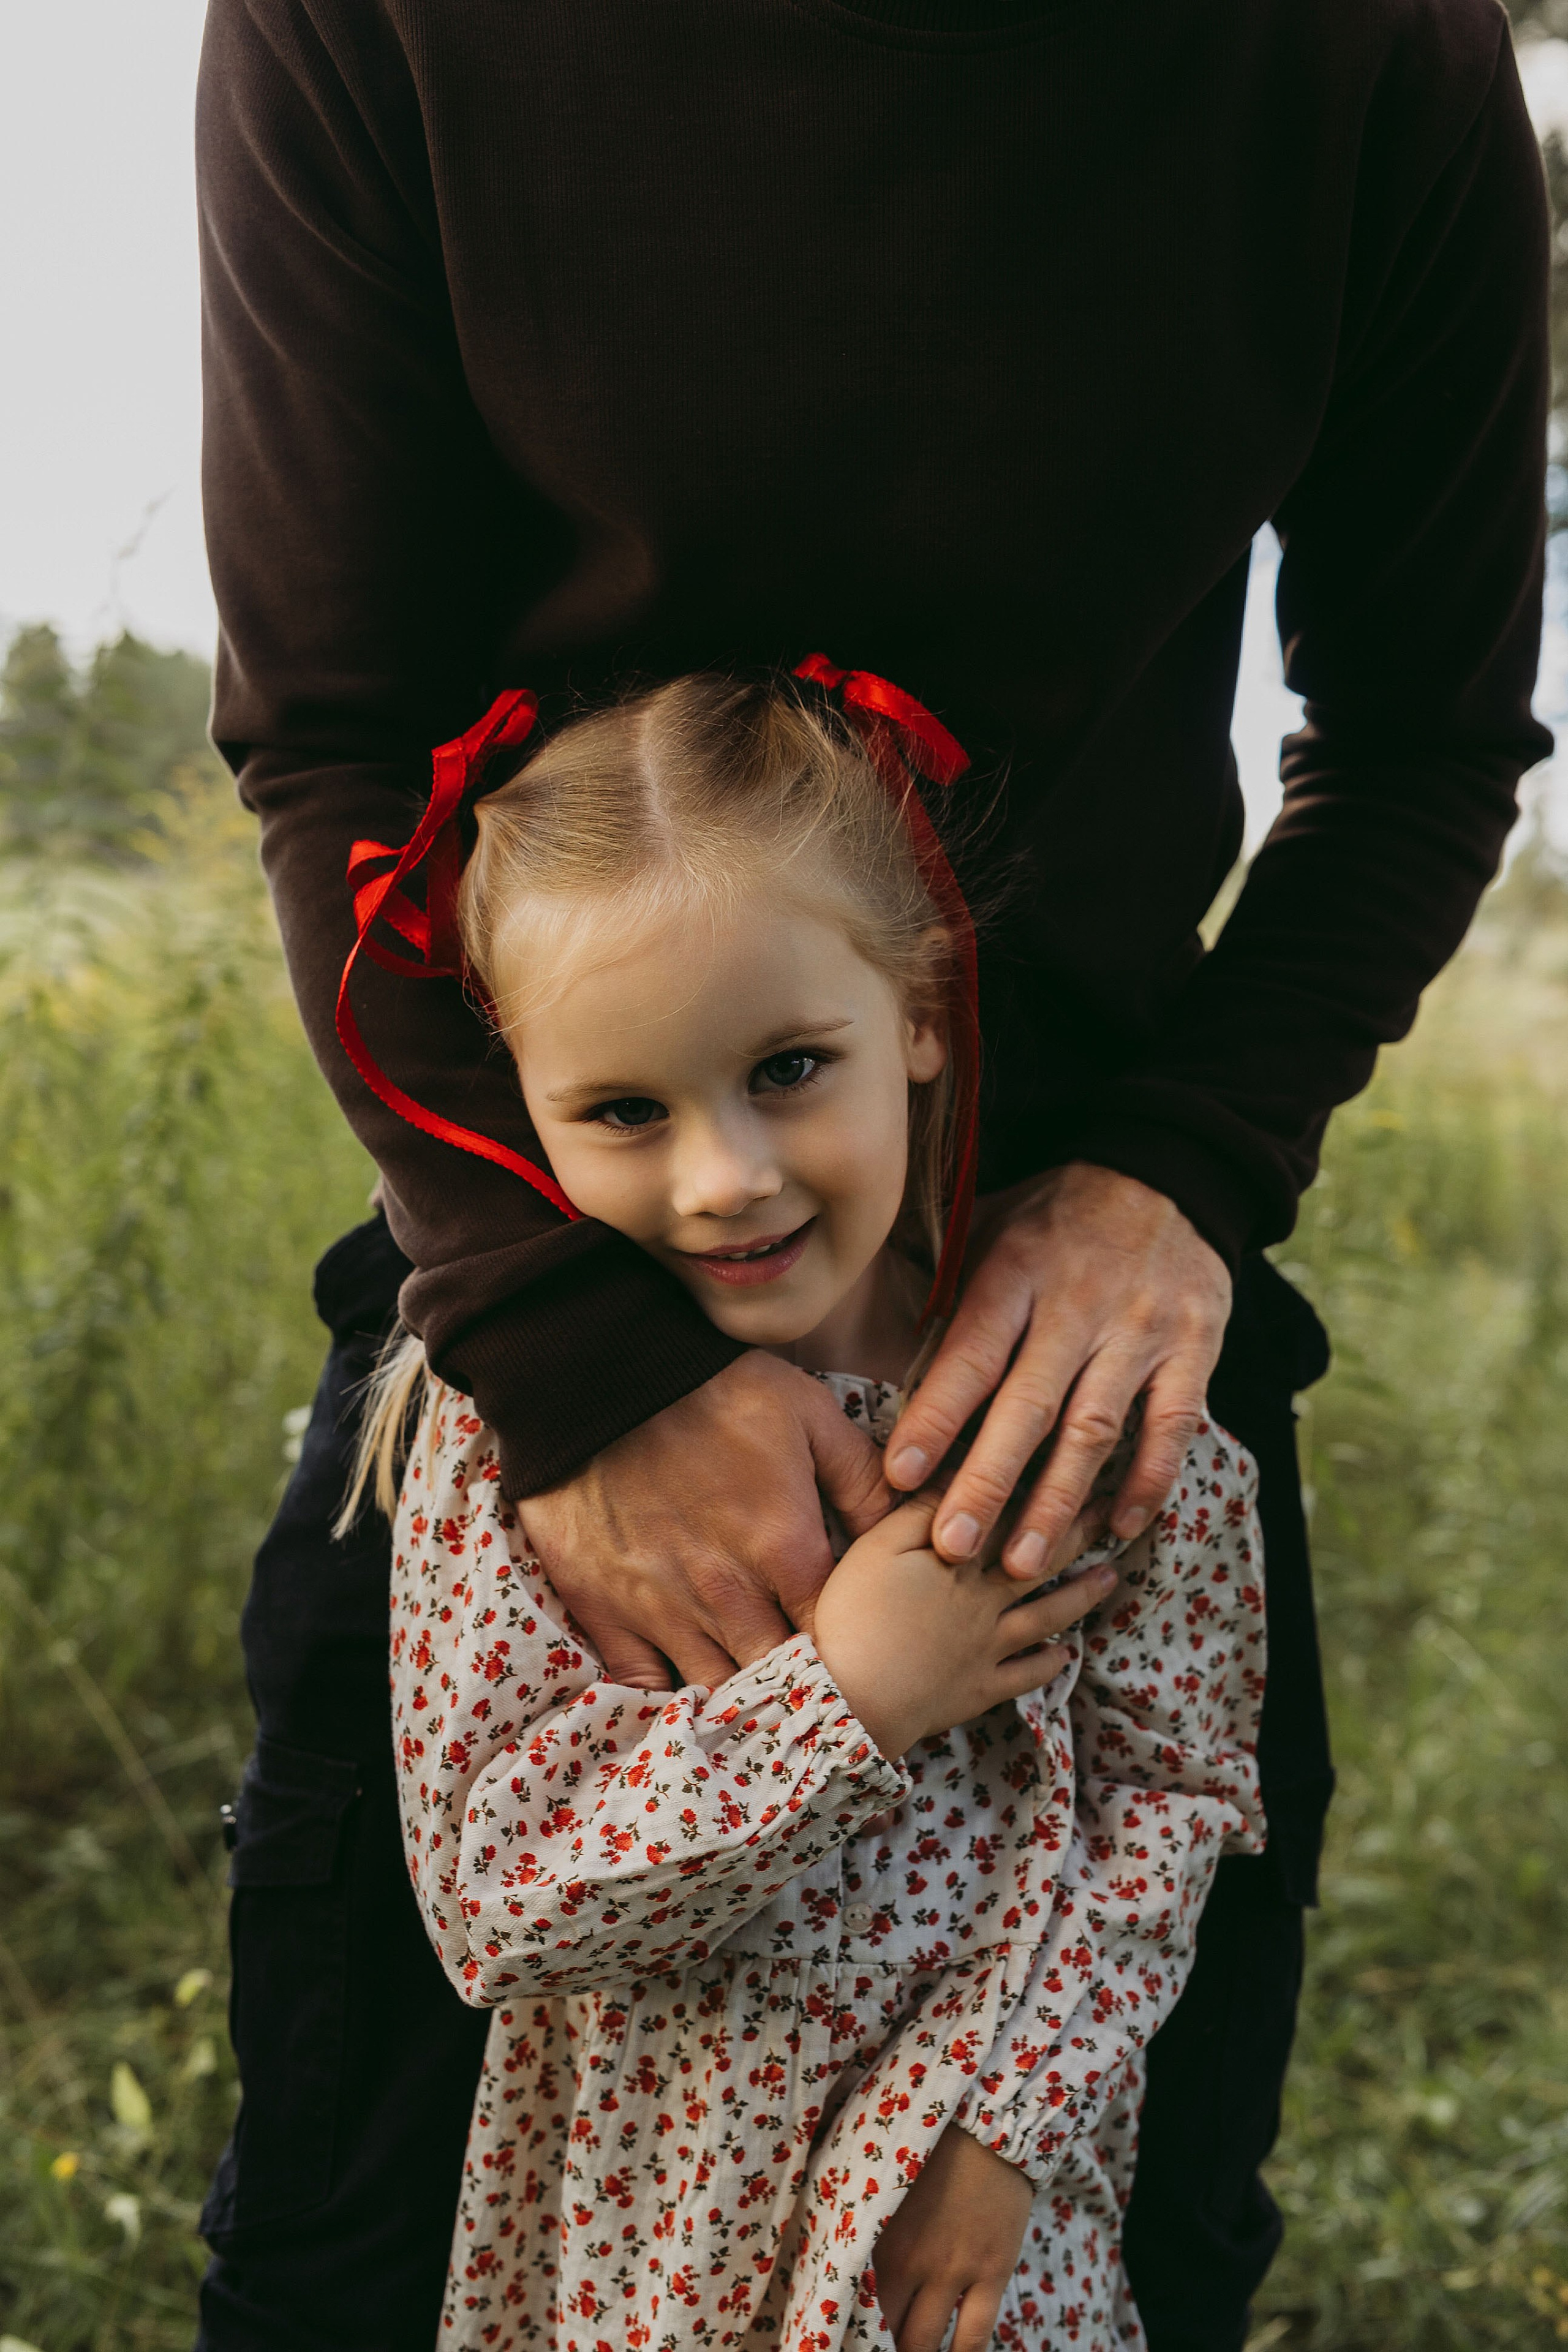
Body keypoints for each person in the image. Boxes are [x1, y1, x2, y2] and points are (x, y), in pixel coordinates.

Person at [192, 2, 1551, 2347]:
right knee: (344, 2251)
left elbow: (1421, 732)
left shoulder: (1370, 52)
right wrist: (577, 1360)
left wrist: (1176, 1182)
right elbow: (332, 732)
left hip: (1094, 1332)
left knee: (1166, 2241)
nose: (743, 1174)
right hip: (526, 1276)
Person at [370, 665, 1268, 2350]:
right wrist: (847, 1696)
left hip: (980, 2241)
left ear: (921, 1010)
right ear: (523, 1101)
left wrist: (1008, 2136)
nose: (725, 1178)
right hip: (661, 2248)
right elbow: (495, 1899)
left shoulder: (1088, 1403)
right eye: (625, 1112)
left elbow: (1171, 1797)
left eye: (789, 1065)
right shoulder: (509, 1448)